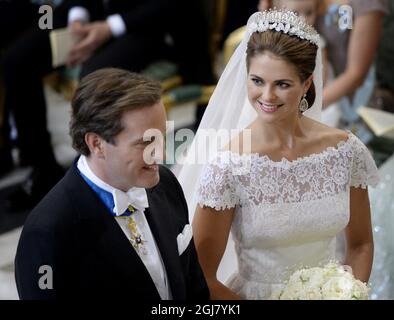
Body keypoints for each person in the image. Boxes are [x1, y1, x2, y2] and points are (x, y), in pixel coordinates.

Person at [177, 10, 380, 299]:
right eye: (257, 81)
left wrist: (348, 292)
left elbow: (361, 245)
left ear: (307, 84)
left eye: (282, 84)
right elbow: (202, 276)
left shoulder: (346, 151)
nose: (267, 96)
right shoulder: (228, 166)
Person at [14, 68, 209, 300]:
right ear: (97, 144)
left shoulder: (165, 185)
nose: (161, 153)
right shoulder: (47, 234)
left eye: (162, 136)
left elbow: (195, 291)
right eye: (145, 143)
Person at [1, 0, 213, 211]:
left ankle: (96, 177)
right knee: (16, 61)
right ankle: (43, 168)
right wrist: (78, 17)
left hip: (153, 23)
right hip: (97, 11)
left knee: (95, 78)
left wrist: (110, 27)